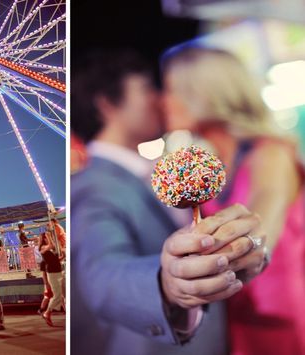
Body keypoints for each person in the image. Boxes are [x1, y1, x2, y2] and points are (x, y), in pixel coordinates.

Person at [71, 50, 267, 354]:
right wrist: (166, 283)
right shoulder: (91, 188)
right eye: (147, 89)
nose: (160, 99)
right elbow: (101, 275)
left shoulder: (155, 170)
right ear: (107, 104)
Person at [161, 45, 305, 355]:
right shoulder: (212, 162)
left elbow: (266, 214)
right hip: (234, 311)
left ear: (205, 93)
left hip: (277, 317)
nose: (163, 100)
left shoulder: (270, 153)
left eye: (172, 89)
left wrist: (249, 242)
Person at [39, 231, 64, 327]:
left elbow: (55, 258)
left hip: (58, 271)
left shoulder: (52, 248)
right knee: (57, 295)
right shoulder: (42, 248)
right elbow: (51, 245)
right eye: (46, 237)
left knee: (64, 294)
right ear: (44, 238)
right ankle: (47, 312)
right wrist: (49, 236)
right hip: (52, 273)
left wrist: (63, 257)